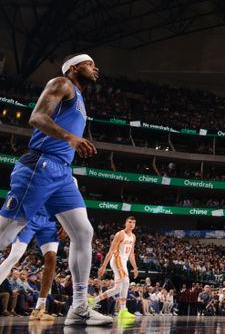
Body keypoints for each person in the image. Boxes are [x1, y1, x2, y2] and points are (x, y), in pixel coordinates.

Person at [0, 54, 111, 325]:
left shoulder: (81, 99)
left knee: (84, 232)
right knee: (5, 234)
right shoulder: (62, 83)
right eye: (90, 63)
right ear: (74, 68)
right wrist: (70, 137)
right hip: (40, 165)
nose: (96, 68)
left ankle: (79, 307)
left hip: (62, 173)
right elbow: (36, 117)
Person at [0, 209, 59, 322]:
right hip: (29, 214)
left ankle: (39, 309)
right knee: (15, 255)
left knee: (52, 259)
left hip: (49, 220)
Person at [94, 216, 138, 322]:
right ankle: (123, 310)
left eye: (134, 222)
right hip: (117, 259)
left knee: (117, 289)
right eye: (129, 222)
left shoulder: (133, 236)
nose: (131, 224)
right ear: (125, 223)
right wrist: (104, 266)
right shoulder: (120, 234)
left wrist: (135, 267)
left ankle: (93, 300)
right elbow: (110, 251)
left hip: (123, 261)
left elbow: (131, 253)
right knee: (126, 281)